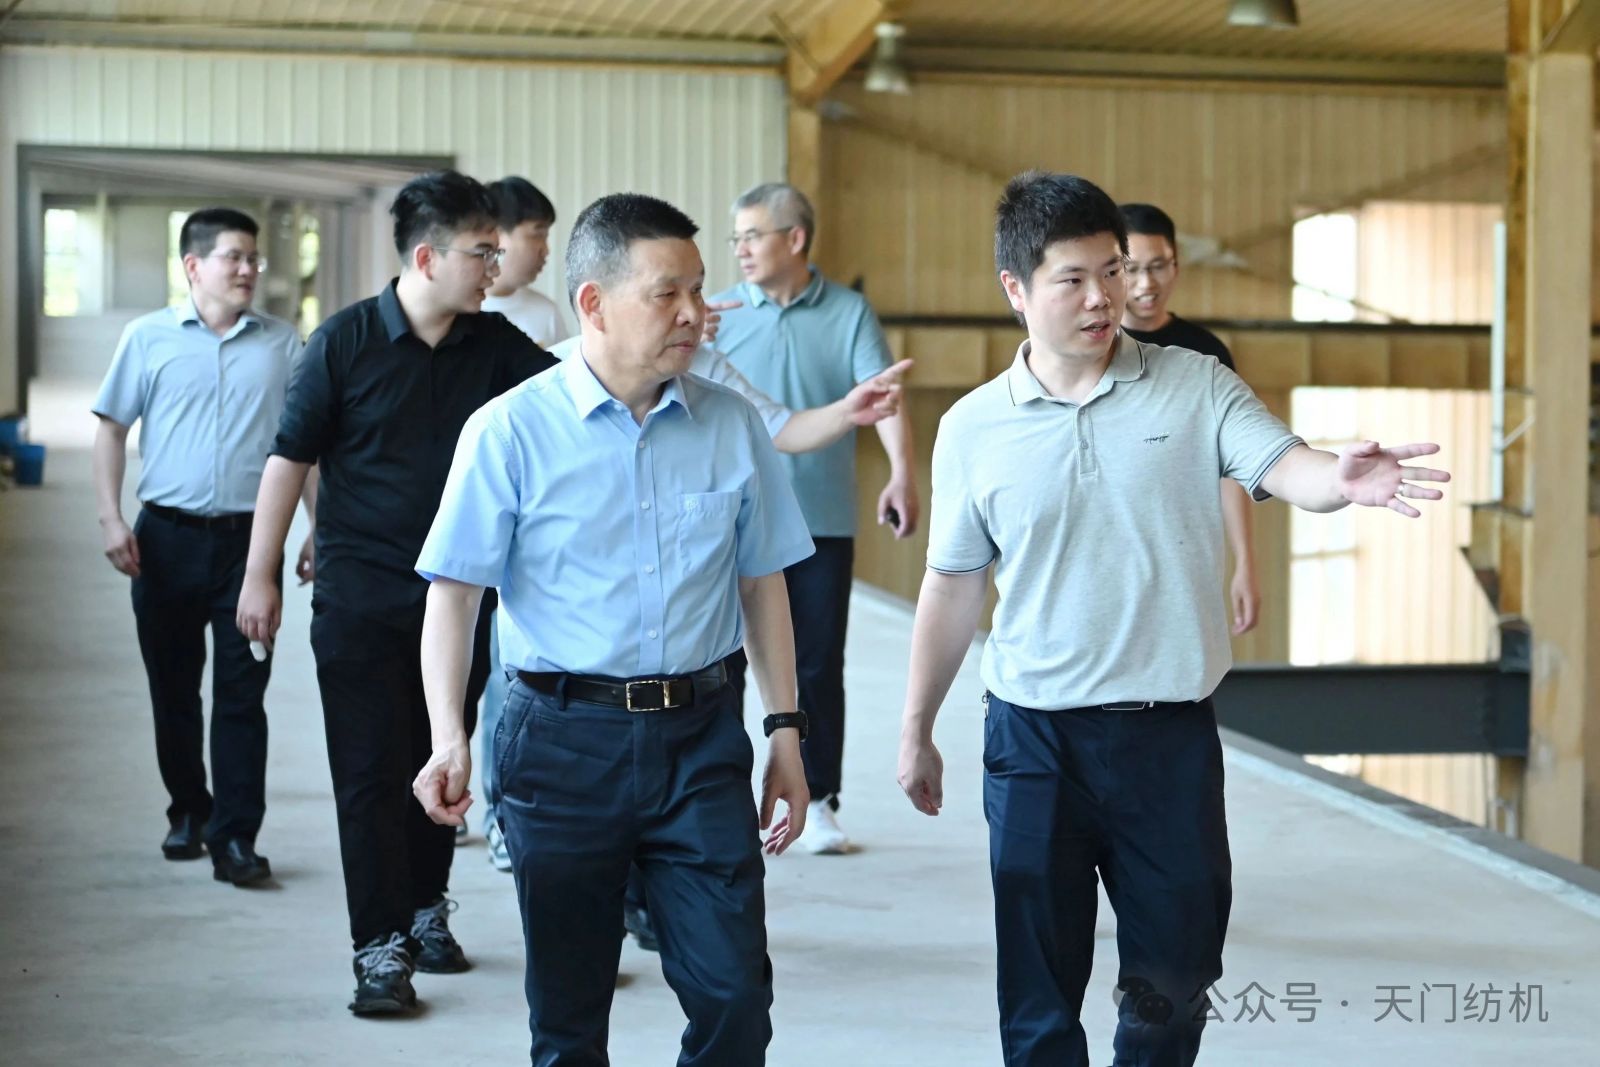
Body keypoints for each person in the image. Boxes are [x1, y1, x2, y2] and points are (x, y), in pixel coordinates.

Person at [896, 171, 1450, 1067]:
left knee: (1177, 975)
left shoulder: (1196, 386)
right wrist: (916, 726)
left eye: (1112, 272)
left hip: (1167, 738)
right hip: (1034, 737)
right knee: (1038, 991)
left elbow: (1287, 465)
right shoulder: (972, 427)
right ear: (1015, 289)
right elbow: (954, 585)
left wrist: (1338, 480)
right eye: (1074, 279)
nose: (1103, 297)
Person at [411, 192, 813, 1065]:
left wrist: (784, 729)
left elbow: (762, 582)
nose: (694, 313)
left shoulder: (732, 425)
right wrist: (450, 735)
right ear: (592, 302)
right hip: (560, 744)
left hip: (700, 740)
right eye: (667, 294)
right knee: (569, 1012)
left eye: (698, 290)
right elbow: (455, 593)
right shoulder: (510, 430)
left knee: (736, 995)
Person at [235, 171, 556, 1016]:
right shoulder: (341, 343)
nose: (494, 268)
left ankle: (423, 908)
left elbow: (572, 394)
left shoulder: (496, 346)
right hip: (362, 603)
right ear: (426, 257)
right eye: (481, 252)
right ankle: (377, 945)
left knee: (442, 755)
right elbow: (290, 459)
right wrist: (261, 572)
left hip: (460, 606)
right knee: (370, 773)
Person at [92, 207, 306, 887]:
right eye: (233, 257)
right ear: (193, 265)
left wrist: (319, 528)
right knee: (175, 689)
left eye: (254, 258)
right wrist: (111, 519)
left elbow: (304, 446)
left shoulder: (282, 344)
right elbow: (111, 428)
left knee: (242, 696)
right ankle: (188, 807)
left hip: (250, 548)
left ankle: (235, 837)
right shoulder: (147, 338)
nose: (248, 269)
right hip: (164, 541)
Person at [711, 181, 919, 855]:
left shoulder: (849, 311)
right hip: (733, 520)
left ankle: (820, 798)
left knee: (819, 663)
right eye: (737, 238)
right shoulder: (717, 315)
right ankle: (722, 796)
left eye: (753, 235)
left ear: (795, 238)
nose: (741, 249)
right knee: (722, 663)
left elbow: (879, 397)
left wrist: (902, 473)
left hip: (820, 519)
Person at [1119, 202, 1260, 635]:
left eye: (1158, 266)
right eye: (1131, 269)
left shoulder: (1206, 354)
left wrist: (1245, 562)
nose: (1146, 283)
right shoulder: (1092, 348)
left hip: (1183, 548)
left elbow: (1229, 465)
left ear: (1176, 266)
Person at [482, 176, 571, 348]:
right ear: (495, 235)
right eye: (537, 235)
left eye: (546, 237)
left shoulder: (546, 312)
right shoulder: (457, 312)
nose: (546, 250)